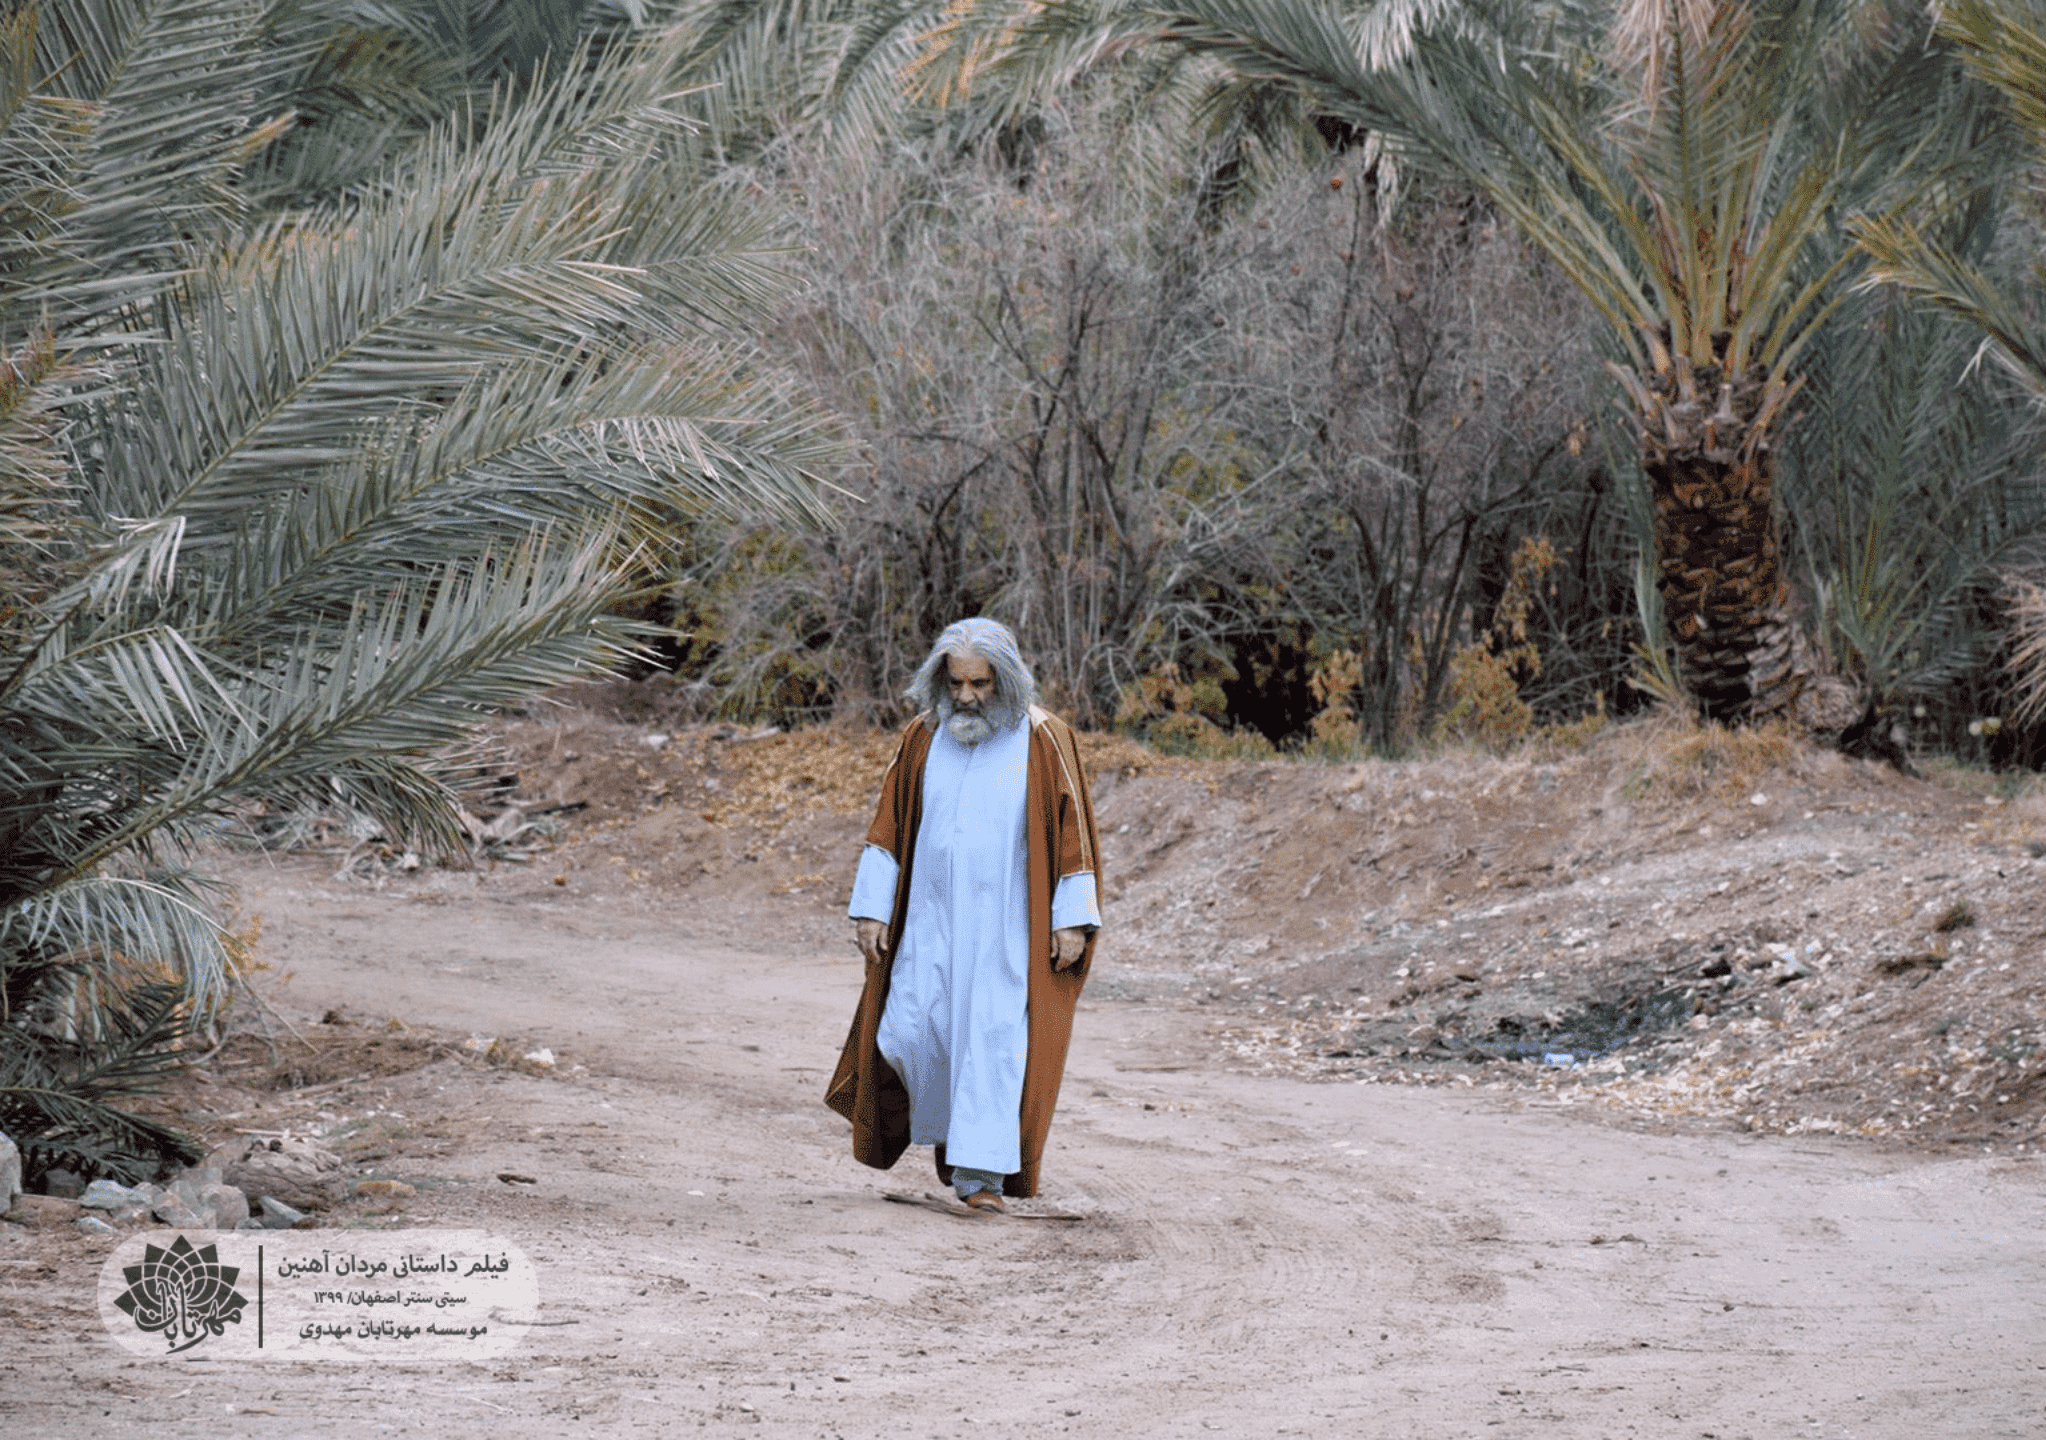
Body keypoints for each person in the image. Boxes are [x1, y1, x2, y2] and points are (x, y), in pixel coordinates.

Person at [824, 618, 1102, 1213]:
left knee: (991, 1042)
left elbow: (1073, 833)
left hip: (1007, 929)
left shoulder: (1043, 738)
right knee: (909, 1030)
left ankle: (980, 1179)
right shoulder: (924, 736)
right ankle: (956, 1138)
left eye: (979, 684)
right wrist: (872, 909)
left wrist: (1071, 919)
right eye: (956, 684)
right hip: (929, 923)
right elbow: (888, 828)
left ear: (1005, 679)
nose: (967, 697)